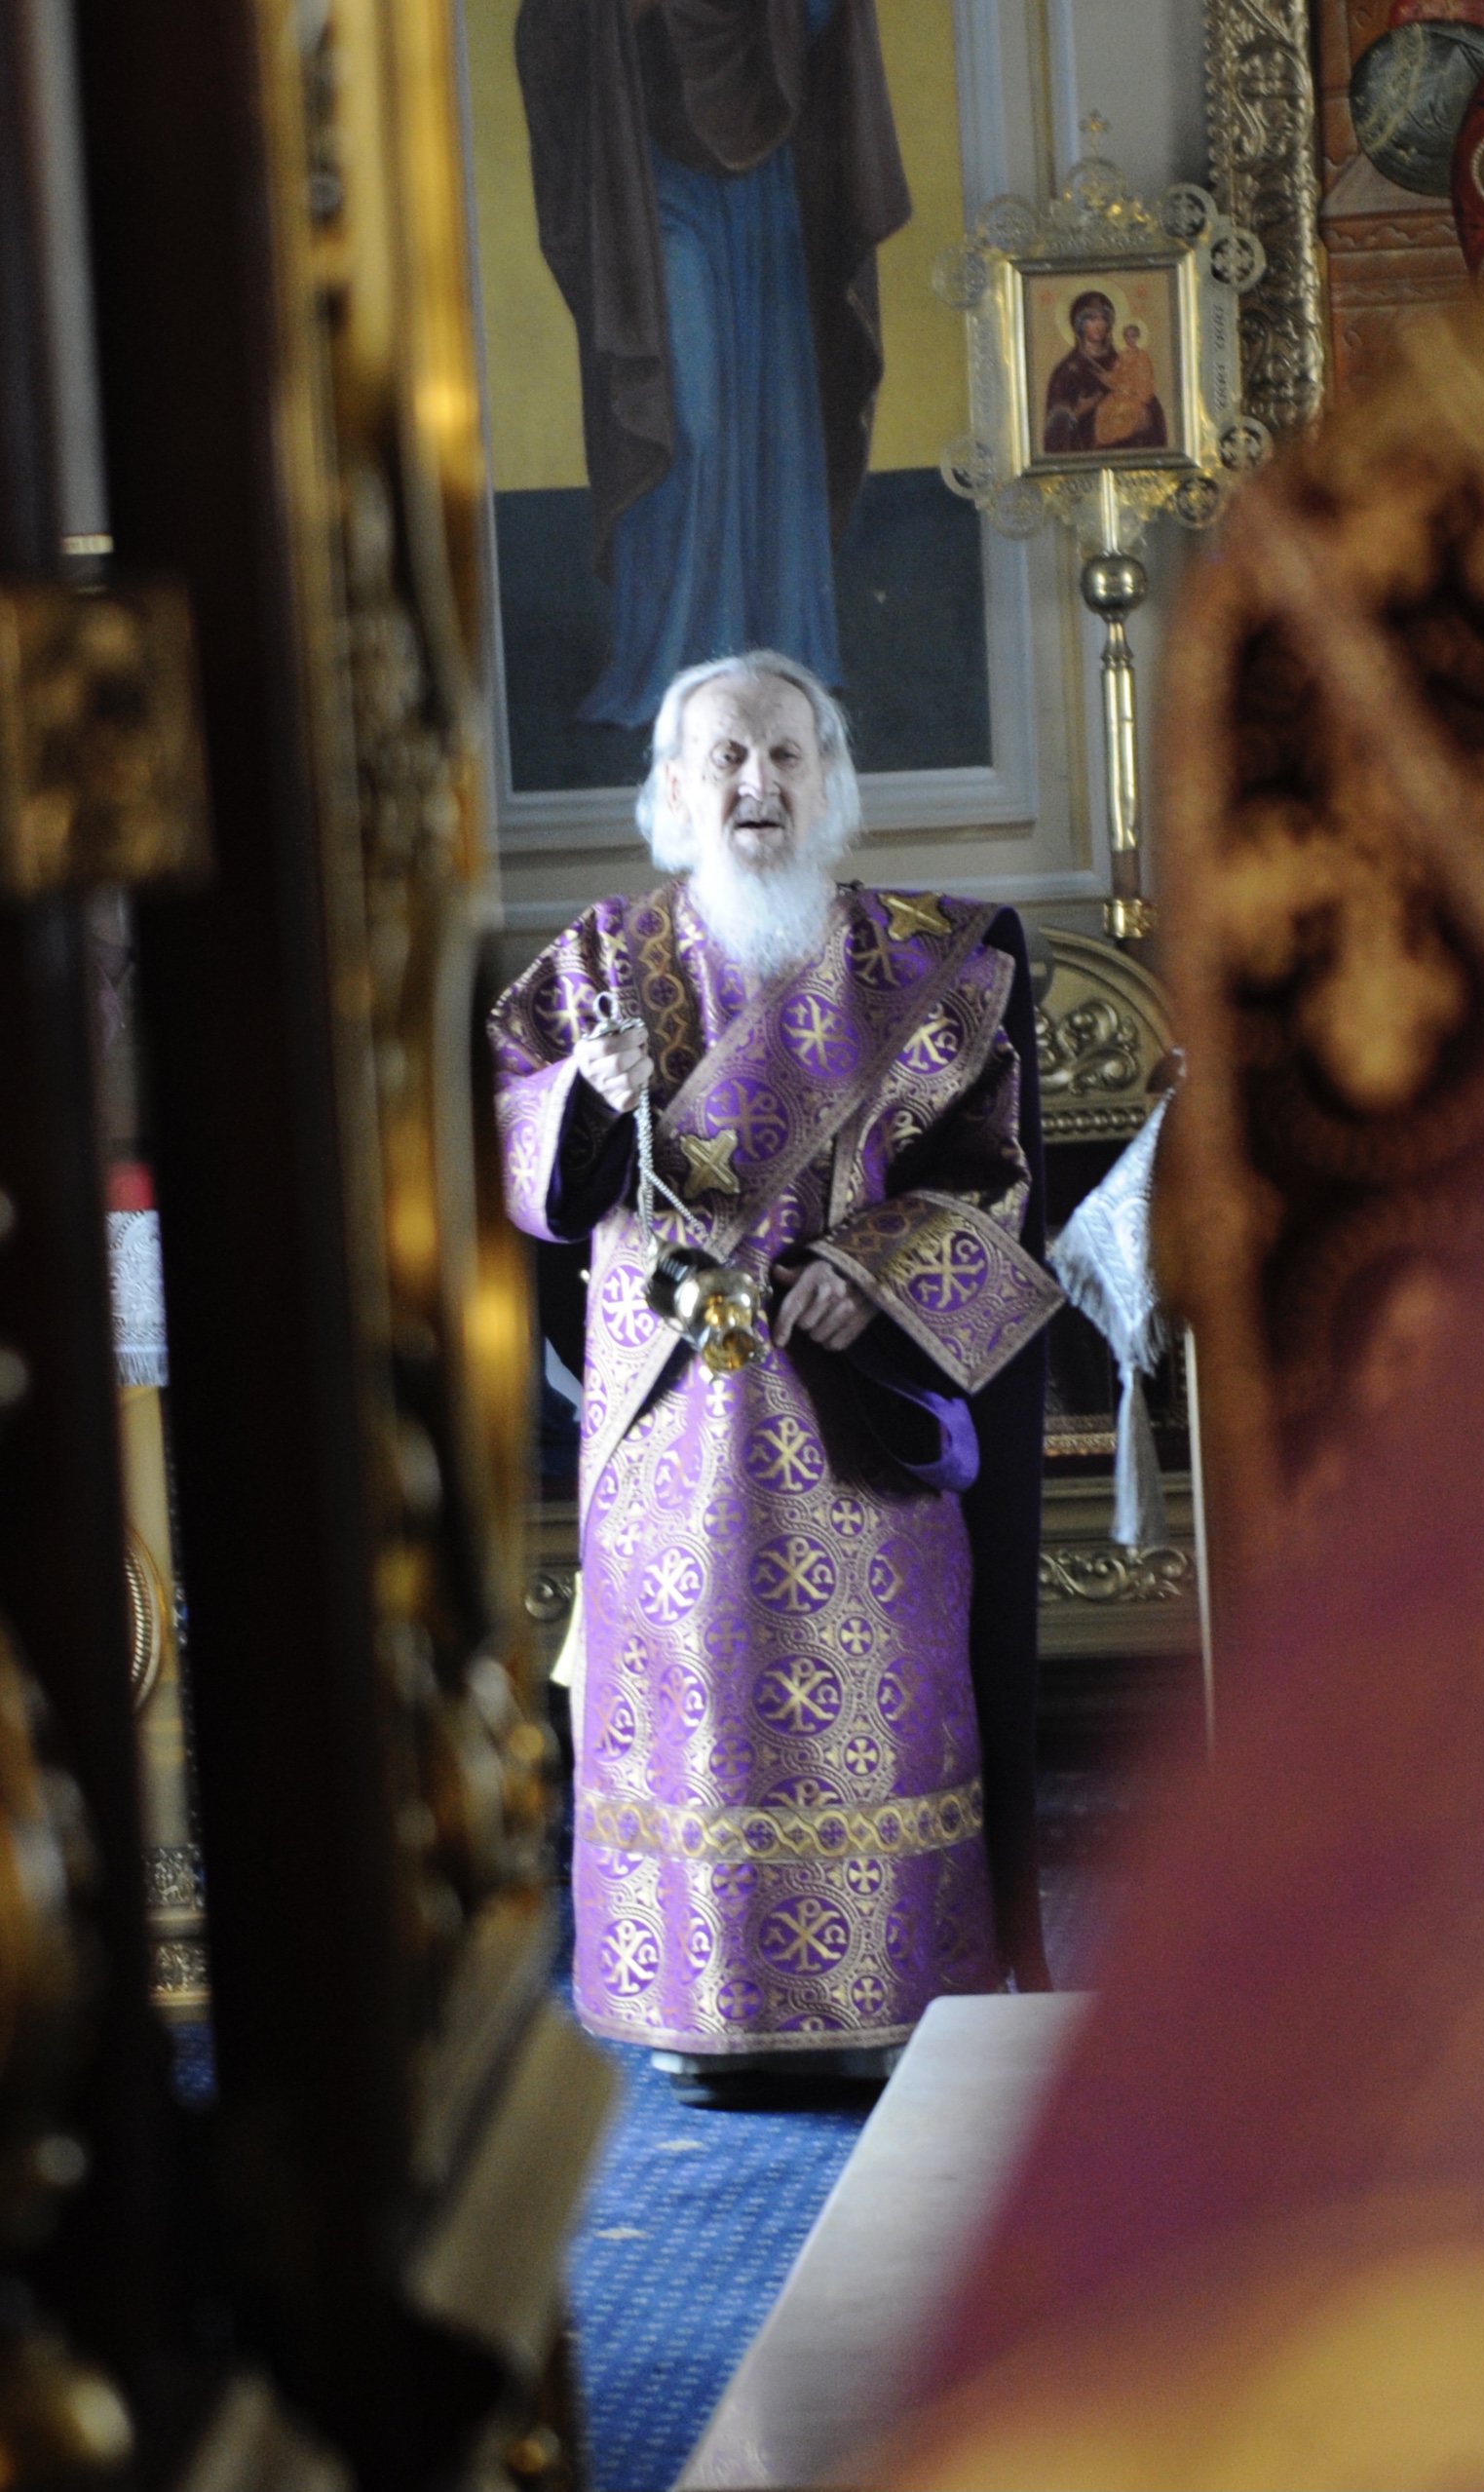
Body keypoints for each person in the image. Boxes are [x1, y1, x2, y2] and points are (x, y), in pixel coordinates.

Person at [490, 652, 1059, 2089]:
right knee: (691, 1724)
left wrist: (868, 1270)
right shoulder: (597, 964)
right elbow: (514, 1163)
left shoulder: (929, 963)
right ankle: (696, 2013)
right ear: (673, 791)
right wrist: (585, 1096)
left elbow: (992, 1180)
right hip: (667, 1441)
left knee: (872, 1716)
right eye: (728, 758)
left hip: (857, 1433)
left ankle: (893, 1998)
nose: (759, 783)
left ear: (831, 782)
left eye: (788, 755)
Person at [514, 0, 911, 729]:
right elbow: (551, 29)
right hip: (651, 185)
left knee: (776, 422)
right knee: (685, 417)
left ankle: (784, 660)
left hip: (768, 189)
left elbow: (823, 24)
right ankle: (669, 666)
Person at [1043, 289, 1166, 455]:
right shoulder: (1068, 370)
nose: (1100, 325)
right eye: (1092, 319)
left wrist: (1146, 413)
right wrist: (1080, 409)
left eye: (1104, 318)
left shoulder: (1125, 361)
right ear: (1079, 324)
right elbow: (1057, 425)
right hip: (1087, 455)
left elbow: (1148, 398)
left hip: (1129, 454)